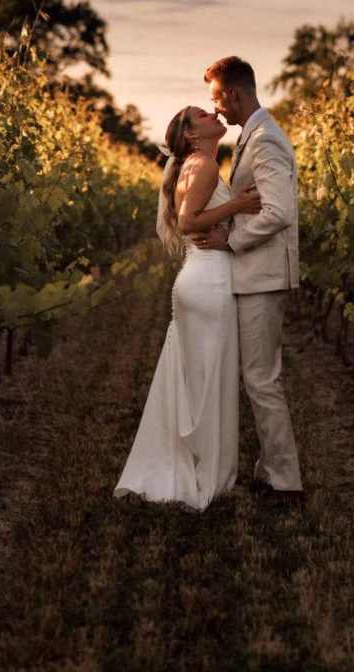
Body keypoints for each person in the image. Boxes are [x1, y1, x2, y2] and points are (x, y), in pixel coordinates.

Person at [114, 105, 261, 511]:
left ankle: (197, 463)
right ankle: (208, 474)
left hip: (201, 278)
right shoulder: (205, 166)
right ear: (192, 134)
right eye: (202, 115)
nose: (214, 113)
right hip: (209, 281)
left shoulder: (198, 163)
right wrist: (237, 206)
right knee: (210, 378)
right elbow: (186, 221)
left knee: (198, 376)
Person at [201, 56, 304, 503]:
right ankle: (270, 468)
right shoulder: (254, 135)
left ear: (233, 94)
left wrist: (233, 240)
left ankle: (286, 483)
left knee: (262, 380)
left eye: (215, 100)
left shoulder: (264, 141)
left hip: (262, 274)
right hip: (256, 274)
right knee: (259, 377)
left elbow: (280, 212)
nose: (215, 110)